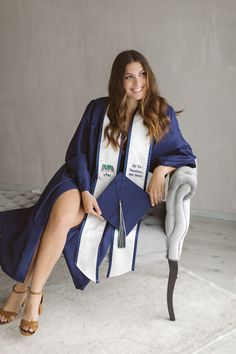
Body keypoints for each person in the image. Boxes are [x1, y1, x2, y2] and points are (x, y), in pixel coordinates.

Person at [0, 49, 196, 335]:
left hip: (116, 194)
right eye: (129, 77)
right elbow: (77, 152)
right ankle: (31, 297)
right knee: (59, 218)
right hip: (80, 181)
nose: (137, 82)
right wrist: (84, 192)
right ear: (119, 80)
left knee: (52, 224)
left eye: (142, 74)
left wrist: (162, 171)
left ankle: (24, 291)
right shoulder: (98, 109)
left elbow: (183, 152)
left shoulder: (159, 111)